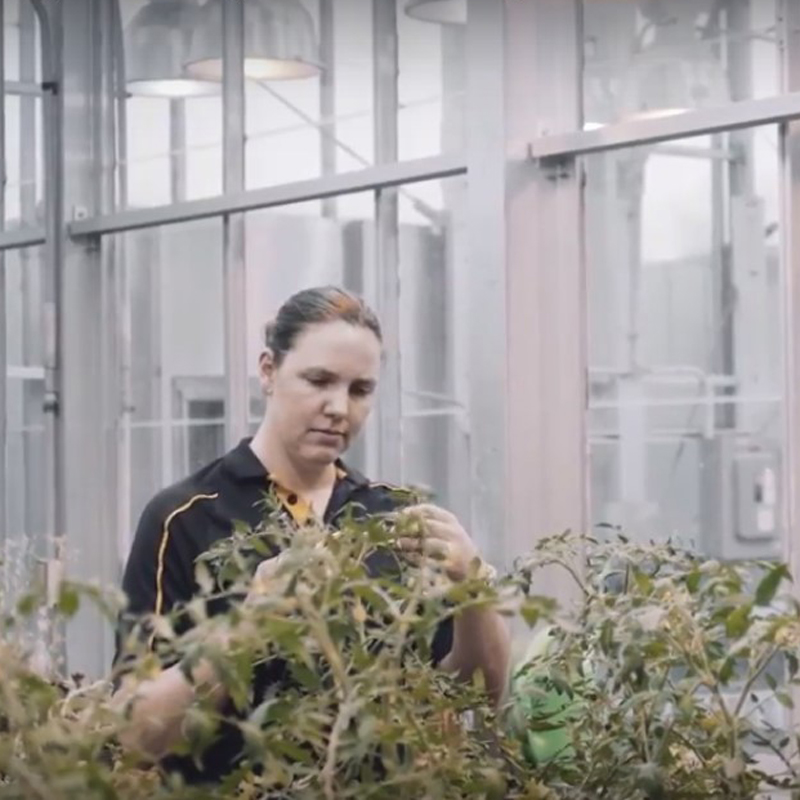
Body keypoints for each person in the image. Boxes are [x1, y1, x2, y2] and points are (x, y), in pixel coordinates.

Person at [112, 285, 510, 784]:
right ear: (268, 371)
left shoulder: (394, 520)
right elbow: (131, 736)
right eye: (318, 380)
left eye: (360, 390)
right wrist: (252, 626)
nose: (339, 408)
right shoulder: (185, 518)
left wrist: (473, 587)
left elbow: (475, 695)